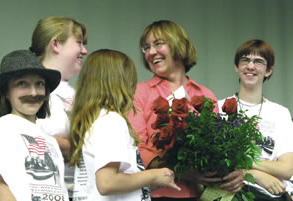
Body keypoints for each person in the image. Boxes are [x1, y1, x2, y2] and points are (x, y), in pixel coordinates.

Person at [128, 20, 244, 201]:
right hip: (157, 195)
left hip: (200, 196)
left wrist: (234, 172)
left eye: (158, 44)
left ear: (178, 44)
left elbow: (217, 147)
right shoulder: (139, 93)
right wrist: (182, 171)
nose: (150, 52)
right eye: (146, 48)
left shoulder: (205, 94)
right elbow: (137, 147)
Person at [69, 49, 181, 201]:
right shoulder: (111, 121)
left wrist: (155, 181)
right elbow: (107, 183)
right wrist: (153, 175)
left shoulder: (94, 120)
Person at [218, 39, 293, 201]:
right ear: (237, 67)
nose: (250, 66)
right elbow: (216, 163)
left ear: (269, 70)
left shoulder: (280, 113)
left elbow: (287, 169)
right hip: (229, 194)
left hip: (270, 196)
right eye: (245, 60)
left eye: (258, 62)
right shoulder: (218, 108)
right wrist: (255, 174)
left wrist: (244, 166)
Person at [0, 50, 68, 201]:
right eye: (22, 84)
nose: (33, 93)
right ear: (6, 92)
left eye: (39, 84)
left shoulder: (50, 141)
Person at [32, 16, 88, 200]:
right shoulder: (27, 89)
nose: (84, 50)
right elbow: (21, 138)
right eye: (79, 43)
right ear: (55, 44)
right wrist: (73, 147)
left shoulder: (79, 94)